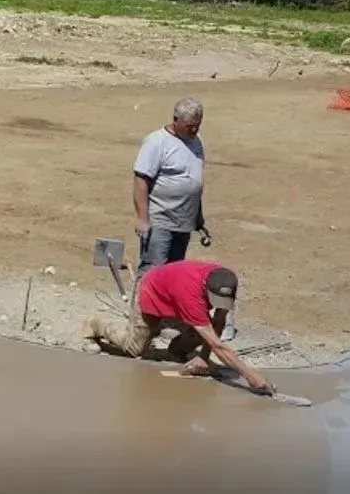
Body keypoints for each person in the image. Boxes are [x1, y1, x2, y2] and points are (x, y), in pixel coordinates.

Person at [82, 259, 272, 394]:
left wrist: (204, 358)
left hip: (172, 293)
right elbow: (217, 345)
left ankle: (176, 351)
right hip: (152, 291)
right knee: (133, 349)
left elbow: (219, 320)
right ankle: (94, 325)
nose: (218, 304)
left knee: (205, 331)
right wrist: (251, 376)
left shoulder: (227, 281)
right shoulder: (191, 295)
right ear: (205, 288)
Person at [132, 97, 206, 280]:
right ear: (175, 119)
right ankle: (144, 307)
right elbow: (141, 180)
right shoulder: (157, 141)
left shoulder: (196, 141)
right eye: (189, 125)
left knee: (174, 273)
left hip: (184, 221)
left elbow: (194, 182)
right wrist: (142, 219)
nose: (194, 130)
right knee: (154, 271)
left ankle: (166, 309)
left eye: (197, 125)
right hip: (160, 220)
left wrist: (198, 216)